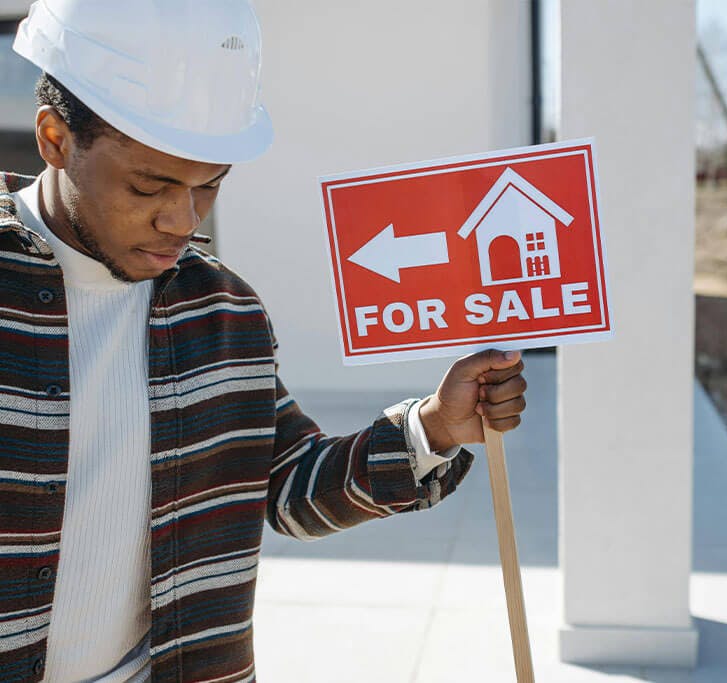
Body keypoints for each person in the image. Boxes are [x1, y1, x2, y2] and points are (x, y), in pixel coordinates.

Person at [0, 1, 528, 681]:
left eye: (208, 187)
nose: (181, 219)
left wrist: (433, 426)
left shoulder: (225, 311)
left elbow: (288, 487)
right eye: (150, 185)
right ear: (55, 138)